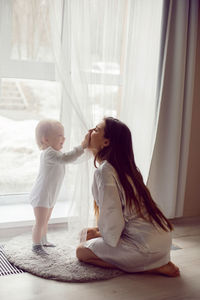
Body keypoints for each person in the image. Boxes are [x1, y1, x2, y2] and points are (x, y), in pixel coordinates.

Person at [76, 117, 180, 277]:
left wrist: (103, 237)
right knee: (86, 233)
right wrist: (98, 233)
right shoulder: (126, 168)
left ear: (106, 143)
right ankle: (156, 261)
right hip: (161, 242)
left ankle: (151, 267)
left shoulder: (105, 171)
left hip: (144, 248)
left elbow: (112, 213)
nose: (90, 131)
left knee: (81, 251)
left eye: (96, 129)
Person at [30, 119, 89, 255]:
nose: (64, 138)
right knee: (40, 222)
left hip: (49, 195)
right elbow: (67, 158)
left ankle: (43, 240)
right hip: (41, 195)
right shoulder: (49, 153)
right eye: (59, 135)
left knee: (45, 220)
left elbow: (71, 159)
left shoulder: (56, 154)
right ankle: (36, 245)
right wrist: (82, 146)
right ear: (45, 140)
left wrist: (88, 154)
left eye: (64, 135)